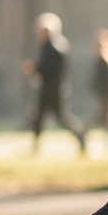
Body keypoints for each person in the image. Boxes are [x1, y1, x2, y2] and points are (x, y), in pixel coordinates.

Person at [23, 12, 87, 153]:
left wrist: (34, 68)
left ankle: (81, 134)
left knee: (58, 118)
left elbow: (48, 67)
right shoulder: (58, 44)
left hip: (51, 89)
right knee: (40, 117)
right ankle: (35, 146)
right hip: (54, 88)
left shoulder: (51, 46)